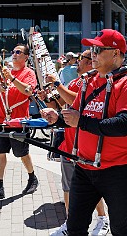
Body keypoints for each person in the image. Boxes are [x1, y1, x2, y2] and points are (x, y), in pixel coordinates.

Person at [42, 29, 127, 235]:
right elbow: (77, 115)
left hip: (117, 169)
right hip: (84, 166)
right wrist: (58, 118)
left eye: (97, 49)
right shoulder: (89, 82)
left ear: (115, 53)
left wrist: (81, 121)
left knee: (120, 229)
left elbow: (123, 125)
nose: (92, 54)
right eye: (91, 49)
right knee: (75, 227)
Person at [42, 50, 110, 236]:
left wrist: (56, 84)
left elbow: (76, 102)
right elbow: (62, 104)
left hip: (86, 145)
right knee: (68, 186)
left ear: (91, 63)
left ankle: (102, 219)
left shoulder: (95, 83)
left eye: (82, 59)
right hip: (70, 142)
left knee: (91, 188)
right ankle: (69, 223)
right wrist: (49, 101)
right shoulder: (74, 82)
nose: (77, 63)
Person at [0, 44, 39, 200]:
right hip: (0, 118)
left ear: (26, 57)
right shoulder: (6, 72)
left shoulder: (28, 73)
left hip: (18, 121)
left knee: (22, 153)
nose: (14, 54)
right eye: (13, 51)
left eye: (18, 52)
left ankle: (32, 177)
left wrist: (11, 78)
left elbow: (28, 91)